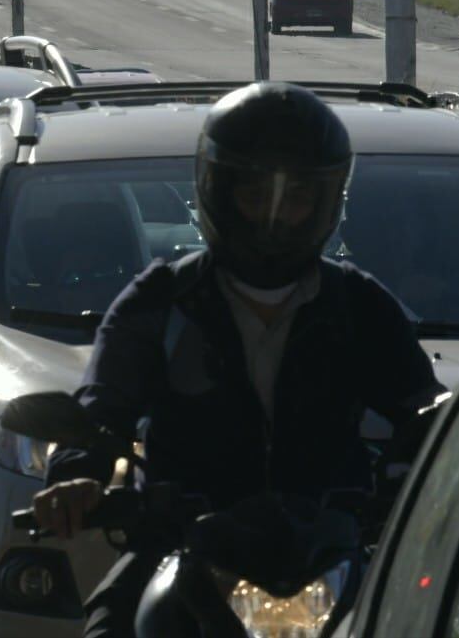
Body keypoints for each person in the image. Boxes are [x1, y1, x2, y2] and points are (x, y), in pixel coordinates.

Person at [31, 82, 442, 638]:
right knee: (112, 623)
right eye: (256, 193)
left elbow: (424, 406)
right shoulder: (160, 302)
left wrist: (432, 465)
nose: (276, 216)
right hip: (184, 545)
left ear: (327, 203)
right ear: (216, 190)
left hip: (332, 550)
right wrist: (78, 477)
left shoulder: (360, 306)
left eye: (297, 197)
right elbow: (102, 404)